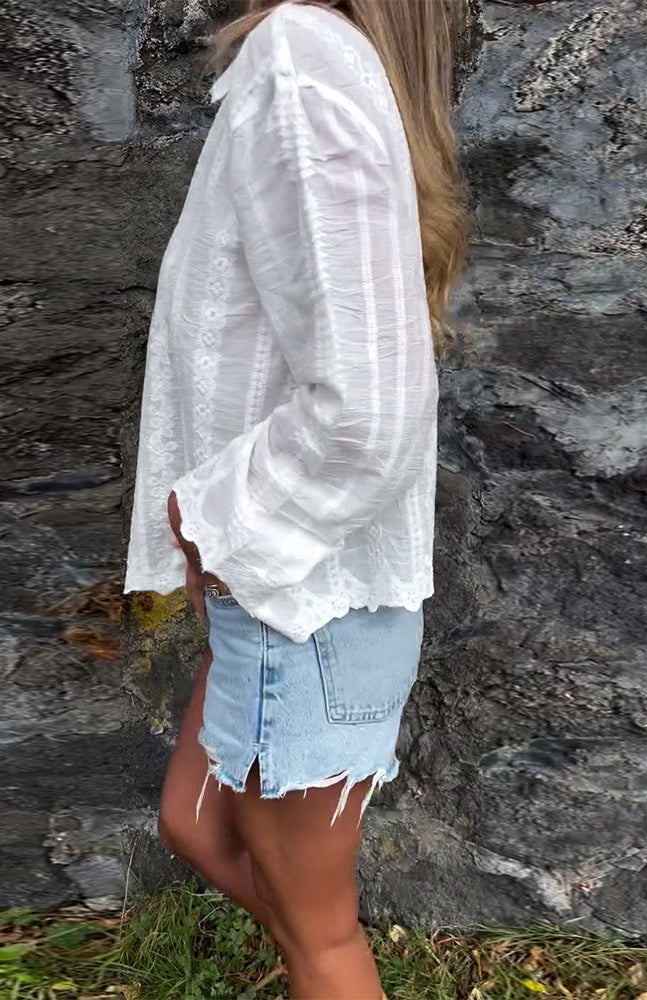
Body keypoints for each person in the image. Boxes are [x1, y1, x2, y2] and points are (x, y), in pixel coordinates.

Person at [124, 0, 468, 996]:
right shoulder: (317, 61)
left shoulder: (301, 58)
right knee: (195, 828)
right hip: (286, 594)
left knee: (323, 938)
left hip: (300, 599)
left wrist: (216, 519)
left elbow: (370, 414)